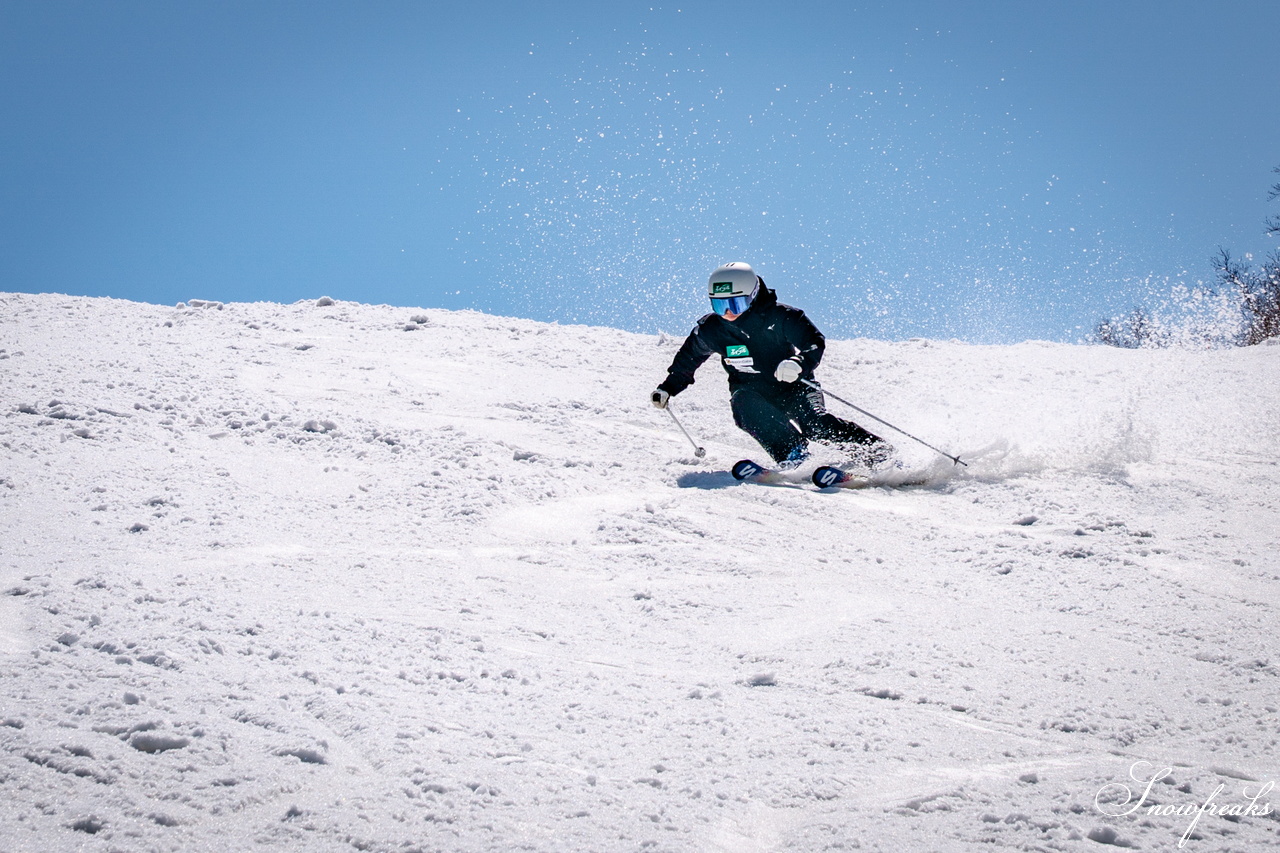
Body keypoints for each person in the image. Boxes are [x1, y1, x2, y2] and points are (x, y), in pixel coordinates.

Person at [651, 262, 892, 469]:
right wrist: (668, 388)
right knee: (744, 407)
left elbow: (813, 342)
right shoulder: (711, 330)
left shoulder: (781, 316)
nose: (728, 314)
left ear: (753, 295)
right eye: (719, 306)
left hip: (794, 386)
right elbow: (688, 361)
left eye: (735, 305)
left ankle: (877, 452)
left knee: (816, 425)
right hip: (752, 391)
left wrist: (799, 363)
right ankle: (792, 454)